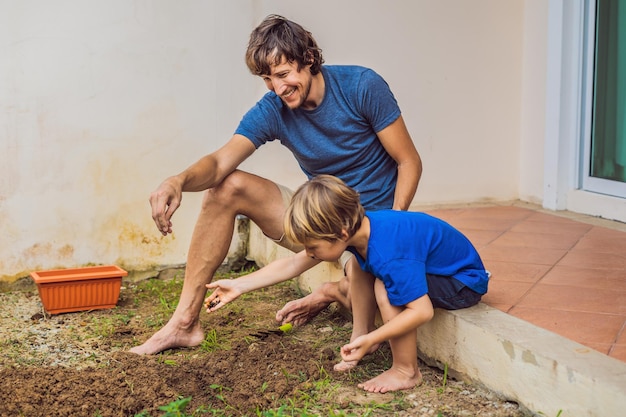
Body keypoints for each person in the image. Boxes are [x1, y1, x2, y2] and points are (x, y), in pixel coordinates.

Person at [130, 14, 422, 355]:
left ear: (308, 60)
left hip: (370, 230)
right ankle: (183, 324)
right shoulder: (273, 109)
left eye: (283, 74)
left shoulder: (362, 86)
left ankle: (329, 292)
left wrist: (393, 226)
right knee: (226, 185)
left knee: (373, 296)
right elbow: (220, 162)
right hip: (320, 222)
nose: (278, 88)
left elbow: (408, 161)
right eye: (268, 79)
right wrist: (178, 180)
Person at [203, 175, 489, 393]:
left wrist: (374, 338)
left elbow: (422, 311)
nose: (310, 254)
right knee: (363, 270)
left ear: (339, 232)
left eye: (312, 247)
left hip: (463, 283)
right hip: (437, 270)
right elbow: (293, 264)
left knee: (384, 287)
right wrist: (240, 285)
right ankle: (359, 339)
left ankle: (406, 371)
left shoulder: (389, 252)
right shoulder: (360, 231)